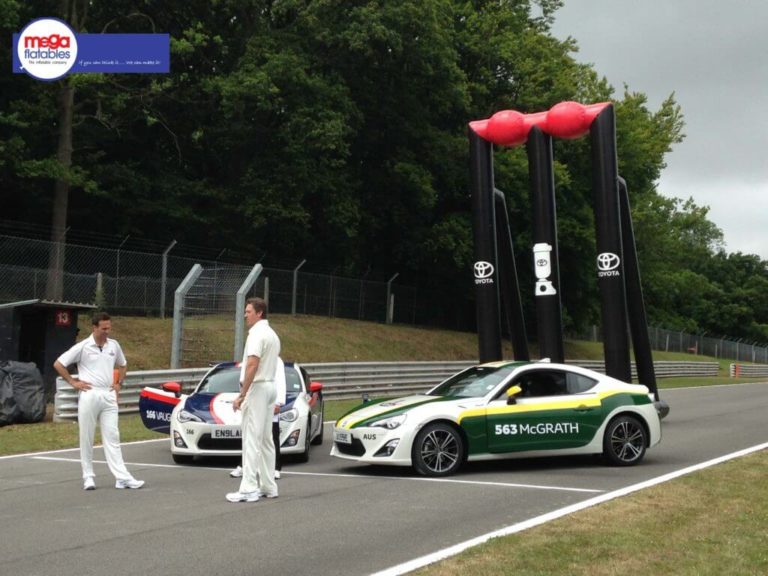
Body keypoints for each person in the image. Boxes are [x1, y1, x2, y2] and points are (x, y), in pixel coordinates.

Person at [53, 311, 145, 491]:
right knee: (86, 436)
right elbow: (59, 364)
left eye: (109, 328)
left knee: (113, 436)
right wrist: (73, 382)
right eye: (104, 329)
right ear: (94, 327)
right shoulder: (83, 346)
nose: (107, 332)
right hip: (89, 393)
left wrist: (119, 383)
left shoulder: (114, 345)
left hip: (108, 394)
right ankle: (88, 476)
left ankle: (122, 478)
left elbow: (123, 364)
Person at [226, 297, 281, 503]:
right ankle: (268, 486)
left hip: (258, 388)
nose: (245, 315)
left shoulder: (257, 334)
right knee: (266, 440)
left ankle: (249, 487)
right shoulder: (272, 334)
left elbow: (252, 364)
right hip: (269, 386)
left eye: (249, 311)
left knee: (251, 438)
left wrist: (242, 394)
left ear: (259, 313)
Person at [229, 357, 286, 480]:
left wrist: (278, 402)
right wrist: (241, 397)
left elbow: (280, 381)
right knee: (249, 436)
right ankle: (244, 466)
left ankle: (275, 468)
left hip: (268, 401)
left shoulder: (275, 360)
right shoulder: (248, 359)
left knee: (270, 437)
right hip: (252, 400)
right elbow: (244, 380)